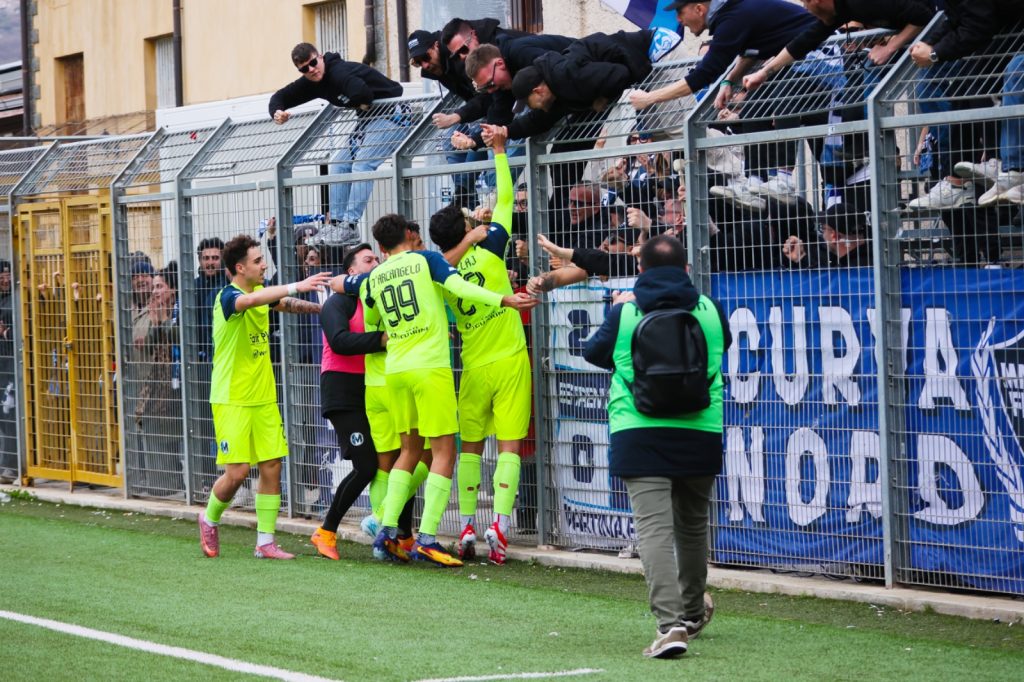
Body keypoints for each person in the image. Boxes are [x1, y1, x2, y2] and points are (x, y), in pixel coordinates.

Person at [353, 213, 537, 566]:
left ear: (380, 246)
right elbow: (459, 288)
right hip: (429, 367)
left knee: (408, 451)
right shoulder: (427, 260)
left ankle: (387, 532)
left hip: (395, 369)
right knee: (443, 453)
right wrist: (503, 300)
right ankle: (427, 538)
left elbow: (371, 317)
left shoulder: (375, 275)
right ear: (410, 234)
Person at [582, 234, 730, 659]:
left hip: (638, 429)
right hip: (701, 428)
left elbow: (593, 353)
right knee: (692, 525)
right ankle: (691, 611)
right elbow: (721, 352)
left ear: (641, 270)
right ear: (686, 270)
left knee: (654, 529)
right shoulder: (710, 310)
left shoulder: (625, 312)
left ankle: (670, 627)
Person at [428, 125, 533, 565]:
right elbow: (506, 199)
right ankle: (501, 526)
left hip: (471, 366)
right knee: (509, 446)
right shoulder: (490, 246)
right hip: (509, 358)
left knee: (471, 447)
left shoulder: (435, 272)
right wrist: (500, 153)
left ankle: (467, 523)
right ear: (468, 227)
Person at [197, 235, 332, 560]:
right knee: (238, 473)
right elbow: (255, 302)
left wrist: (322, 309)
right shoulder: (229, 297)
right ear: (240, 268)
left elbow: (282, 304)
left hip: (263, 397)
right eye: (258, 261)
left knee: (272, 464)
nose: (264, 265)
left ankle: (265, 541)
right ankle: (208, 517)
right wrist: (297, 285)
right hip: (232, 399)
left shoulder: (260, 293)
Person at [269, 43, 404, 244]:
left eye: (313, 63)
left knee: (362, 164)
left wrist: (360, 103)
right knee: (338, 163)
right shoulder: (313, 82)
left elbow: (362, 93)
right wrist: (277, 112)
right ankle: (336, 224)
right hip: (370, 118)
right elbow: (280, 96)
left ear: (321, 57)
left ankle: (349, 226)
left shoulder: (338, 72)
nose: (312, 70)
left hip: (395, 114)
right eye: (304, 69)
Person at [308, 244, 388, 560]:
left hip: (372, 390)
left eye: (378, 259)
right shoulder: (337, 303)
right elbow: (340, 342)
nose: (376, 263)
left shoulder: (378, 301)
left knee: (386, 462)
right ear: (351, 271)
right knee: (366, 465)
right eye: (368, 260)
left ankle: (395, 534)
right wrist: (382, 340)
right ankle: (326, 531)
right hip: (341, 392)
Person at [907, 1, 1024, 210]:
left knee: (989, 75)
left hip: (1009, 33)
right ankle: (957, 181)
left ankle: (1003, 164)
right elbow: (956, 16)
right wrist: (929, 44)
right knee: (963, 83)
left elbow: (978, 25)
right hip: (1005, 31)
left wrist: (935, 53)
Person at [512, 28, 680, 116]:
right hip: (648, 60)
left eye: (528, 103)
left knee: (677, 125)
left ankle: (705, 176)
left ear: (538, 91)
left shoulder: (569, 75)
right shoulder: (559, 80)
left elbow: (620, 73)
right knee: (659, 130)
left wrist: (603, 97)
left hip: (658, 50)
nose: (531, 108)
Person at [132, 265, 184, 495]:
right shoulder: (152, 311)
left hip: (181, 380)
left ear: (172, 290)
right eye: (153, 287)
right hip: (158, 383)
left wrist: (163, 321)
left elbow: (181, 339)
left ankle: (190, 483)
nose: (154, 292)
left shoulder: (180, 310)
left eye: (159, 286)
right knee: (158, 431)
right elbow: (152, 345)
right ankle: (164, 484)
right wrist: (156, 323)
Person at [0, 260, 16, 483]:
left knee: (10, 414)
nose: (5, 280)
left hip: (12, 366)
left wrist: (6, 334)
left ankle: (12, 465)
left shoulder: (17, 300)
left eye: (8, 275)